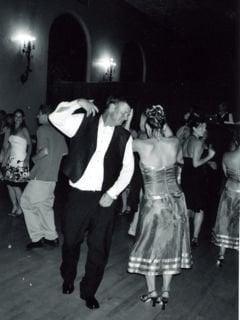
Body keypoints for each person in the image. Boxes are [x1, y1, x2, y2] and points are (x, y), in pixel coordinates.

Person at [49, 97, 134, 309]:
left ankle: (89, 291)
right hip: (79, 195)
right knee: (70, 241)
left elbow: (128, 170)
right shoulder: (83, 121)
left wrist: (113, 193)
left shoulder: (125, 136)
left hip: (105, 199)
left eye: (128, 114)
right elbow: (55, 117)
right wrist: (77, 102)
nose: (127, 117)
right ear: (111, 107)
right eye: (124, 112)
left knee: (99, 248)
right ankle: (68, 277)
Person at [127, 105, 192, 309]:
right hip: (175, 200)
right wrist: (162, 123)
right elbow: (180, 160)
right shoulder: (174, 142)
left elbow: (121, 140)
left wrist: (129, 121)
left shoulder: (139, 144)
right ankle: (165, 292)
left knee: (149, 245)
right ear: (164, 123)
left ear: (147, 124)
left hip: (154, 202)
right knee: (170, 245)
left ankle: (152, 292)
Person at [21, 104, 68, 250]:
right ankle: (51, 237)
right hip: (52, 176)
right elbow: (64, 152)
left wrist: (33, 159)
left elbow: (44, 151)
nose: (36, 116)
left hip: (41, 176)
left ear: (45, 115)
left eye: (39, 114)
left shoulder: (42, 129)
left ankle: (37, 237)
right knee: (44, 206)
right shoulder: (59, 131)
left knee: (25, 202)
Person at [181, 115, 215, 247]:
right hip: (196, 177)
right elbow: (196, 164)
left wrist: (206, 161)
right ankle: (194, 238)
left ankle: (183, 234)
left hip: (186, 175)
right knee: (199, 208)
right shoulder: (199, 142)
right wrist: (210, 156)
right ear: (195, 128)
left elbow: (183, 160)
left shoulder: (187, 140)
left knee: (188, 206)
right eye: (202, 126)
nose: (205, 129)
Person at [212, 128, 240, 266]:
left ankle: (221, 255)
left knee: (225, 222)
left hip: (229, 191)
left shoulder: (227, 156)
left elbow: (226, 174)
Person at [3, 109, 32, 216]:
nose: (17, 118)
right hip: (11, 161)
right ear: (14, 117)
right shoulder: (12, 130)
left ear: (23, 118)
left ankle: (21, 208)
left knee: (16, 186)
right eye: (16, 116)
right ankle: (14, 206)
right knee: (9, 186)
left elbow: (30, 145)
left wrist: (27, 158)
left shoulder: (24, 129)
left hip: (20, 161)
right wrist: (4, 162)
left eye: (20, 116)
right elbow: (10, 147)